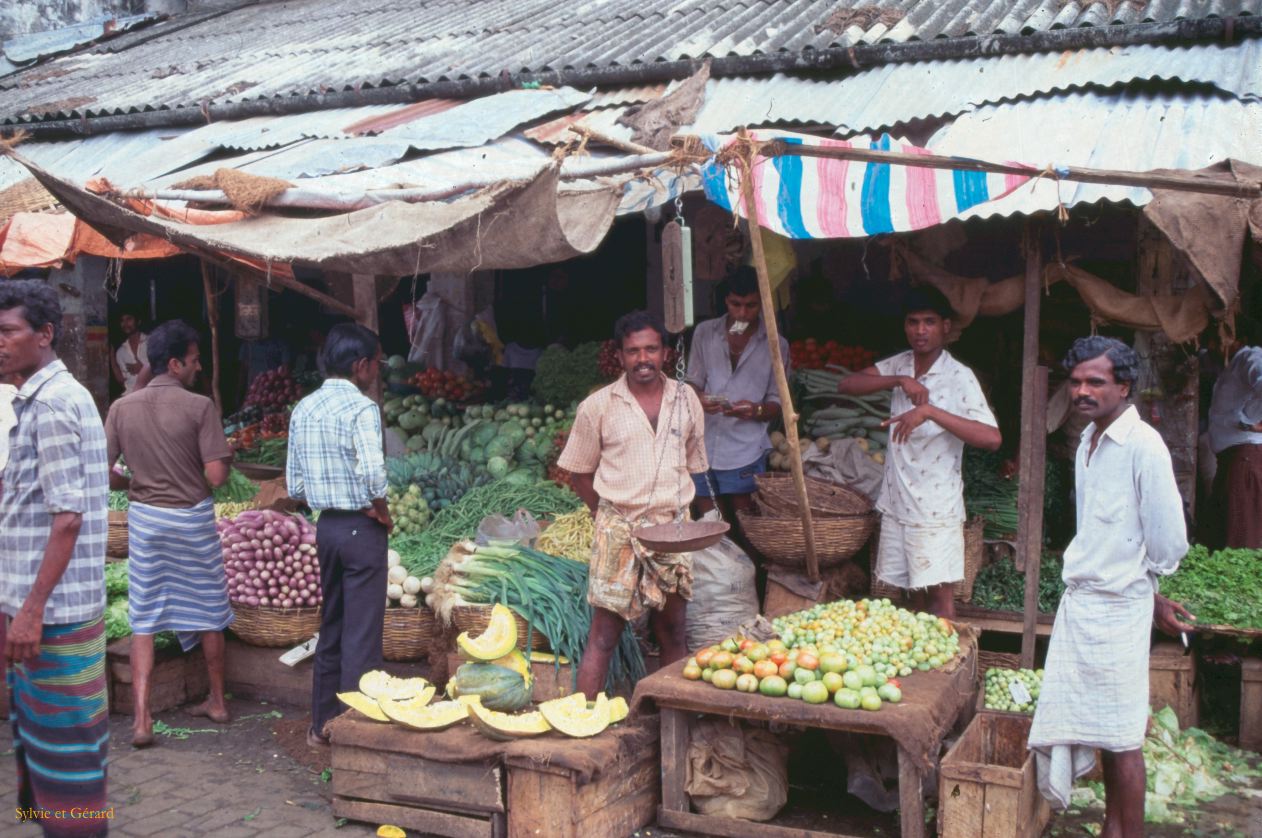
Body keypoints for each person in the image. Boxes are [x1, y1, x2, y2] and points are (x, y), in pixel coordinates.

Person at [1028, 336, 1194, 838]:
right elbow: (1107, 535)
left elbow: (1168, 542)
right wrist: (1154, 596)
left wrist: (1145, 588)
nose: (1082, 390)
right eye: (1076, 381)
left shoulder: (1143, 446)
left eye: (1095, 382)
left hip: (1116, 611)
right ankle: (1112, 830)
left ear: (1124, 386)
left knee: (1123, 740)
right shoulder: (1087, 442)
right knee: (1102, 732)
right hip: (1086, 608)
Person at [0, 280, 111, 837]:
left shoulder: (53, 405)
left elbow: (67, 519)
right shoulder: (39, 400)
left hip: (53, 619)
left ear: (44, 335)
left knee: (69, 761)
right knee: (43, 754)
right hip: (45, 614)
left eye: (7, 332)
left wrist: (29, 609)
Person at [557, 310, 708, 698]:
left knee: (673, 631)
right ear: (620, 356)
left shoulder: (686, 398)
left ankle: (676, 717)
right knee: (604, 636)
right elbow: (579, 473)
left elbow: (694, 463)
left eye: (651, 349)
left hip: (672, 530)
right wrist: (605, 514)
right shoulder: (599, 406)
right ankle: (582, 716)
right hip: (619, 529)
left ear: (666, 353)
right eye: (633, 351)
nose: (643, 359)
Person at [104, 320, 235, 748]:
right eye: (195, 360)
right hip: (191, 519)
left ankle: (142, 719)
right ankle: (217, 701)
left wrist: (135, 479)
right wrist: (217, 459)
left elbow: (106, 474)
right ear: (176, 364)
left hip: (145, 520)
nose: (200, 367)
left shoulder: (122, 408)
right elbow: (216, 476)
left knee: (143, 617)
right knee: (209, 608)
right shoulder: (199, 407)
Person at [836, 286, 1000, 620]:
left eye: (929, 322)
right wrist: (898, 379)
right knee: (910, 596)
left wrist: (931, 412)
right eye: (913, 322)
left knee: (940, 600)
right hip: (899, 501)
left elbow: (992, 438)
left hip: (935, 507)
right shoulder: (901, 364)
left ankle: (947, 668)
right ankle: (921, 668)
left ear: (946, 327)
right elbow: (847, 384)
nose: (920, 330)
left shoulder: (959, 377)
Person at [287, 323, 391, 746]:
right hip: (360, 528)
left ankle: (321, 726)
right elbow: (374, 476)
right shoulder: (363, 409)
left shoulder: (304, 408)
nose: (377, 372)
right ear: (361, 365)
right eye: (377, 364)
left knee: (332, 625)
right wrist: (380, 511)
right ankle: (356, 734)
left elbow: (294, 487)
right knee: (362, 634)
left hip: (326, 527)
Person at [686, 266, 787, 519]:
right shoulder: (705, 333)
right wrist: (698, 399)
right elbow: (692, 382)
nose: (742, 313)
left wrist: (756, 410)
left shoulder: (776, 344)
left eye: (751, 306)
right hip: (703, 443)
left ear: (763, 303)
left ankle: (747, 561)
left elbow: (778, 401)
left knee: (746, 520)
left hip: (745, 448)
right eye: (735, 304)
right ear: (726, 301)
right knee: (709, 520)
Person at [1206, 329, 1262, 548]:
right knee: (1224, 537)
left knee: (1243, 541)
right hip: (1232, 458)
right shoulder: (1229, 366)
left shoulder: (1251, 356)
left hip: (1244, 457)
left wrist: (1251, 420)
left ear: (1241, 340)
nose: (1213, 347)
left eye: (1218, 341)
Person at [110, 310, 148, 395]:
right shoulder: (121, 351)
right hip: (130, 397)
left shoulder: (151, 343)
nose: (125, 324)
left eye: (129, 319)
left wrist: (143, 369)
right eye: (122, 321)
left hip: (151, 395)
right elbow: (122, 380)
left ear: (138, 321)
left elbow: (165, 373)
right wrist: (111, 357)